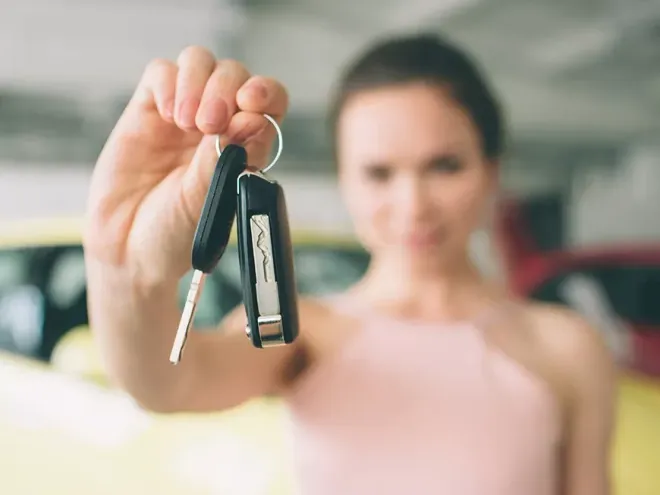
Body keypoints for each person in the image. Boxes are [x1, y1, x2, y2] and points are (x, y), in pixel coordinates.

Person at [84, 33, 616, 494]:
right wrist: (122, 268)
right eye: (379, 173)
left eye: (444, 166)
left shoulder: (567, 348)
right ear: (346, 180)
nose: (413, 206)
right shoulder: (306, 330)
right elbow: (165, 384)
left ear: (492, 170)